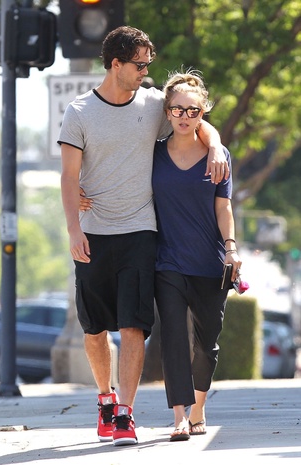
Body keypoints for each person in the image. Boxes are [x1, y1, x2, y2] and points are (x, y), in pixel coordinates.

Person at [59, 25, 229, 447]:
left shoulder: (154, 104)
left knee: (135, 326)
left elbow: (192, 117)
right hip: (94, 233)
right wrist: (74, 229)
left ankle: (125, 414)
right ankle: (105, 397)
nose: (146, 72)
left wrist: (216, 145)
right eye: (139, 65)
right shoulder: (79, 112)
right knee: (95, 330)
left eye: (148, 65)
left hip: (140, 229)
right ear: (116, 64)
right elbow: (68, 177)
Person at [152, 70, 242, 441]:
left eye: (192, 110)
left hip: (209, 262)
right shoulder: (153, 154)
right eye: (177, 109)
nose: (184, 117)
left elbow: (224, 208)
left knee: (206, 343)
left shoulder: (218, 157)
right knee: (173, 336)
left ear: (203, 112)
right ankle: (178, 417)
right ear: (168, 112)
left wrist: (232, 249)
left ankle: (199, 407)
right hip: (166, 261)